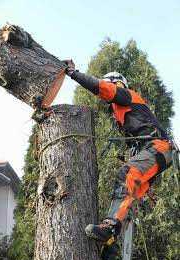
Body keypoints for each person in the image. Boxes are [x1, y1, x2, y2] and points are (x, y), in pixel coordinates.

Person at [64, 59, 172, 244]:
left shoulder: (126, 95)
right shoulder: (126, 116)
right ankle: (111, 244)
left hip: (157, 147)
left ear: (116, 83)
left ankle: (110, 227)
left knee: (125, 176)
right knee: (129, 195)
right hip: (154, 151)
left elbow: (104, 89)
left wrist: (74, 73)